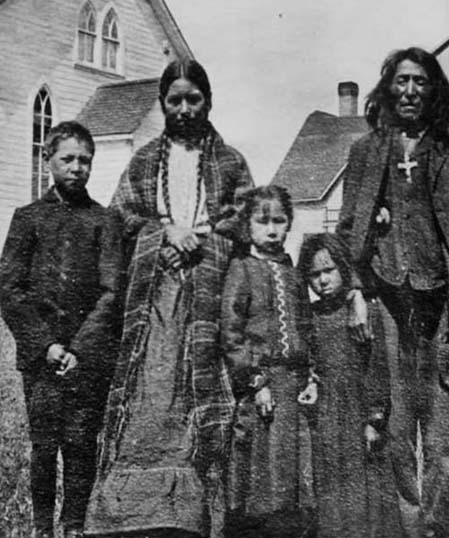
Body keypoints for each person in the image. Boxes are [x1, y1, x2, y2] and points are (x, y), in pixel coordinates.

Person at [83, 59, 254, 538]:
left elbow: (241, 222)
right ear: (162, 105)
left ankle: (196, 514)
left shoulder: (231, 162)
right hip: (155, 300)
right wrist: (165, 234)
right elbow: (122, 219)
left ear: (209, 101)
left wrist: (200, 239)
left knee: (200, 392)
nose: (183, 109)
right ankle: (132, 515)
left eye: (192, 99)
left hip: (209, 295)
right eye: (174, 100)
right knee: (152, 391)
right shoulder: (142, 163)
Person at [336, 47, 449, 538]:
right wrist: (356, 293)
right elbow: (348, 234)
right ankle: (405, 530)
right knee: (396, 435)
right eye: (401, 81)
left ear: (435, 91)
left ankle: (445, 531)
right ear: (387, 88)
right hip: (387, 311)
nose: (409, 91)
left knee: (443, 443)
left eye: (420, 82)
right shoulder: (366, 153)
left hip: (441, 316)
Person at [0, 121, 123, 538]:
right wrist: (46, 345)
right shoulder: (28, 219)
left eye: (84, 160)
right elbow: (11, 291)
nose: (76, 168)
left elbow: (111, 292)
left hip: (88, 358)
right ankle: (41, 528)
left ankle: (73, 526)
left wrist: (80, 349)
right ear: (47, 159)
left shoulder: (104, 222)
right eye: (67, 158)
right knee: (45, 445)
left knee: (81, 443)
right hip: (41, 359)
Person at [220, 185, 317, 538]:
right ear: (248, 226)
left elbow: (305, 325)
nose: (272, 229)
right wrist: (255, 381)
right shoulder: (242, 269)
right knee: (260, 466)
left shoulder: (293, 273)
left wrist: (310, 376)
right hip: (262, 385)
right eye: (263, 222)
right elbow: (231, 333)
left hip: (293, 384)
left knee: (292, 466)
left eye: (279, 220)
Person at [296, 233, 402, 538]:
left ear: (343, 268)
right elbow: (312, 360)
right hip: (329, 413)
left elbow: (377, 367)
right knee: (332, 482)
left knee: (366, 483)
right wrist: (313, 382)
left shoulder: (361, 313)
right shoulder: (314, 316)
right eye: (314, 275)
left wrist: (375, 417)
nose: (323, 281)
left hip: (359, 409)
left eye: (329, 271)